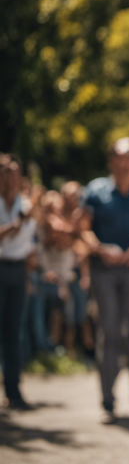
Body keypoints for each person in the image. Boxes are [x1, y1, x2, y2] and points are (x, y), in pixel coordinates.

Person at [80, 138, 129, 424]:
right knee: (109, 333)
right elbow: (84, 230)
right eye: (121, 156)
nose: (126, 162)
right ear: (112, 161)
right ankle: (108, 401)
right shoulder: (95, 192)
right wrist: (102, 248)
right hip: (104, 271)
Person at [0, 154, 37, 409]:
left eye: (14, 171)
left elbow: (27, 244)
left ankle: (13, 390)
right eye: (5, 171)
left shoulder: (26, 205)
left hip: (18, 270)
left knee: (14, 332)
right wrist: (14, 225)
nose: (10, 176)